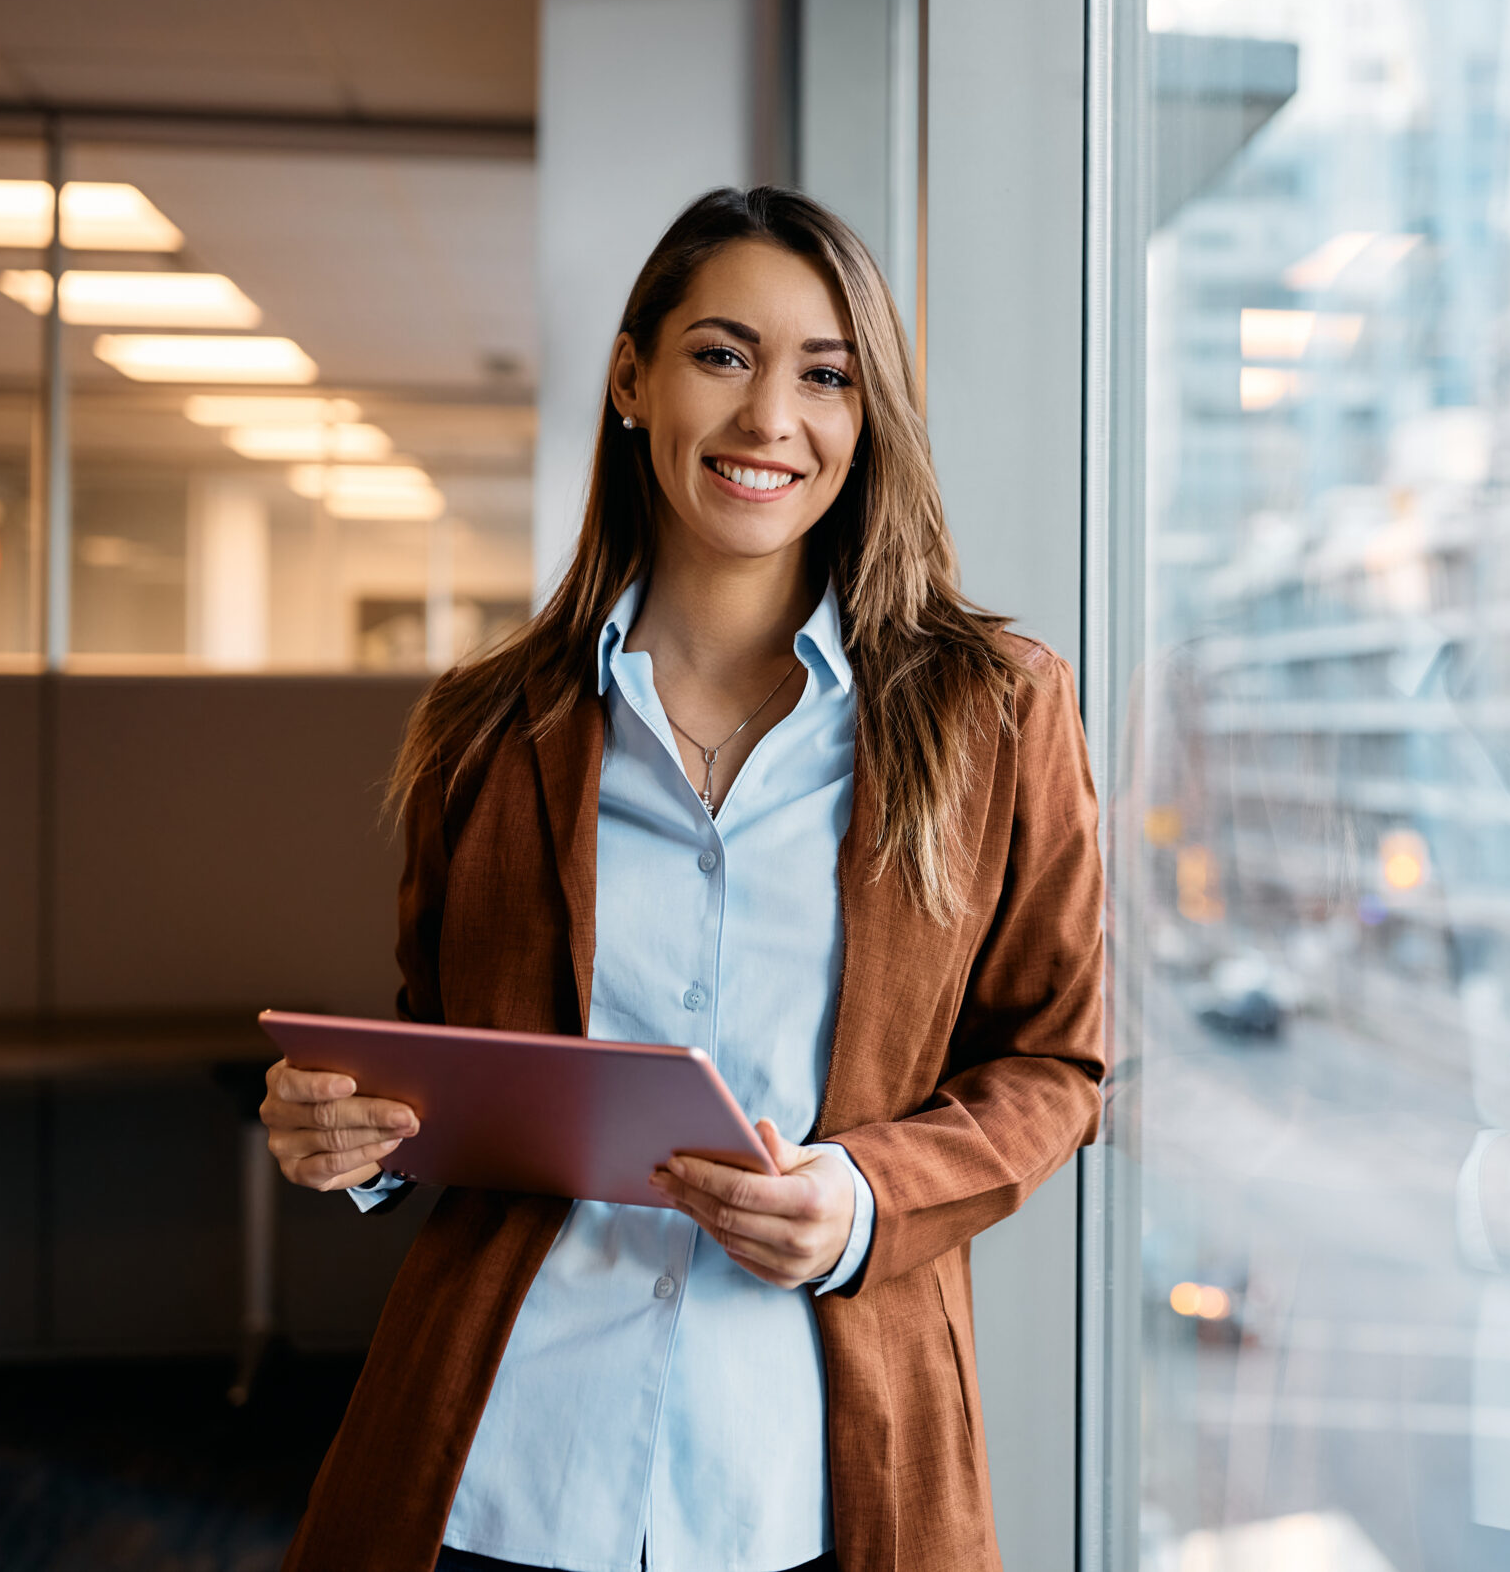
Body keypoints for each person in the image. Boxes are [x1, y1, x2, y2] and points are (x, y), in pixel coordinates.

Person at [257, 187, 1106, 1572]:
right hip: (504, 1470)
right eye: (723, 355)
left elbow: (1057, 1063)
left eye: (825, 374)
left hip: (813, 1481)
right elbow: (443, 1057)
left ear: (866, 410)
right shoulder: (487, 729)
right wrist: (351, 1142)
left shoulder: (994, 711)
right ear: (632, 379)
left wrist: (863, 1198)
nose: (773, 417)